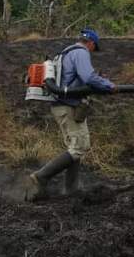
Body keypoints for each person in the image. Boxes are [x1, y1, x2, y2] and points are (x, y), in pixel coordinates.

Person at [28, 28, 117, 201]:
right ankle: (41, 177)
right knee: (80, 147)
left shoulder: (65, 52)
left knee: (74, 147)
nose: (93, 51)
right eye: (94, 47)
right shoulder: (81, 53)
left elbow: (79, 78)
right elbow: (88, 77)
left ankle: (71, 189)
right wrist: (108, 85)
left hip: (62, 105)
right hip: (68, 106)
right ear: (90, 43)